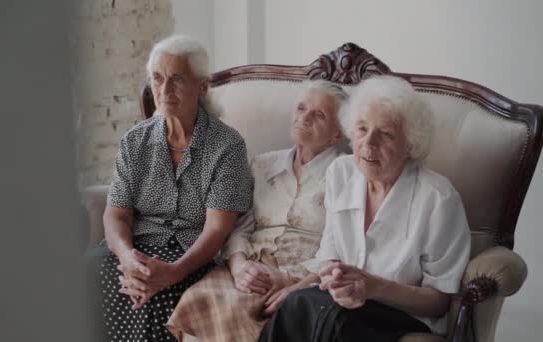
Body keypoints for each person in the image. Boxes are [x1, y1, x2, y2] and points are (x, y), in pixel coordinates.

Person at [258, 75, 471, 341]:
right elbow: (330, 258)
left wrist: (374, 287)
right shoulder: (341, 172)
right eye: (361, 129)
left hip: (400, 315)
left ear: (410, 145)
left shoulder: (439, 199)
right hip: (339, 304)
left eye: (386, 134)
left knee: (332, 319)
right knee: (300, 305)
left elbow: (439, 302)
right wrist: (296, 290)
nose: (368, 144)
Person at [96, 35, 253, 342]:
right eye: (157, 79)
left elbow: (216, 231)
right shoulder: (134, 141)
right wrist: (128, 259)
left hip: (189, 257)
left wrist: (171, 273)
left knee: (159, 301)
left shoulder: (228, 146)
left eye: (177, 79)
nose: (164, 91)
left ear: (202, 87)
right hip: (135, 253)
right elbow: (115, 216)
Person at [166, 80, 349, 341]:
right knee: (200, 298)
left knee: (245, 313)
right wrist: (239, 267)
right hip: (251, 268)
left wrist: (299, 290)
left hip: (304, 277)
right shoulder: (262, 165)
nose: (304, 118)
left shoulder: (347, 174)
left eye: (319, 115)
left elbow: (345, 247)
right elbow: (240, 226)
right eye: (301, 108)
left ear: (338, 133)